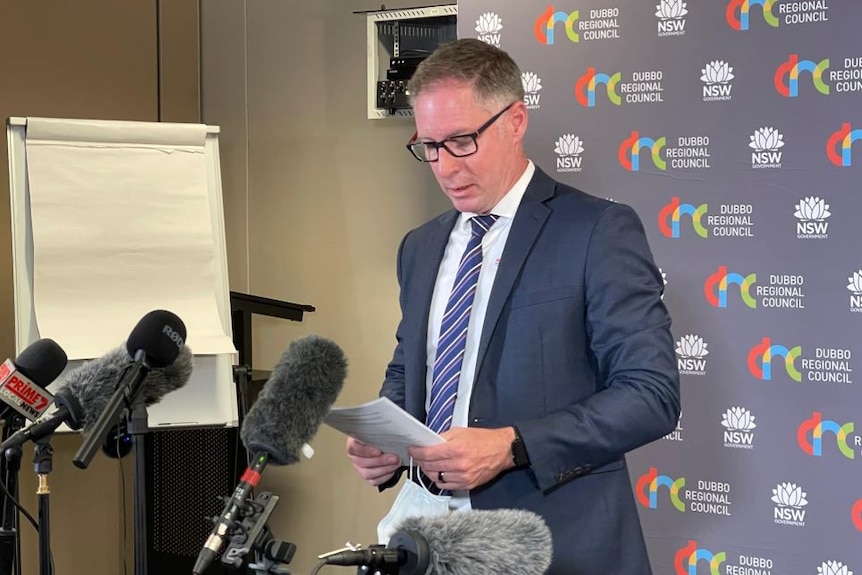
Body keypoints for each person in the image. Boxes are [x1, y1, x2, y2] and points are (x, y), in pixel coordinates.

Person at [346, 38, 680, 575]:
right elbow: (412, 365)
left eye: (461, 141)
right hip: (425, 539)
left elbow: (651, 394)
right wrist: (390, 442)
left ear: (516, 120)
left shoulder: (597, 231)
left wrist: (511, 445)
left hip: (554, 544)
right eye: (429, 146)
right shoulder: (420, 246)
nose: (444, 166)